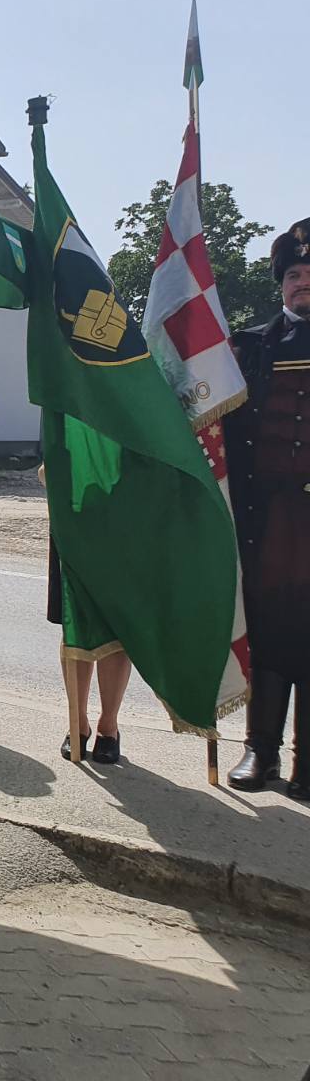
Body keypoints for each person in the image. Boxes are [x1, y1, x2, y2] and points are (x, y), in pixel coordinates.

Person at [225, 217, 310, 800]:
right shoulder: (248, 347)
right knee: (269, 629)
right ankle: (262, 751)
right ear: (281, 284)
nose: (304, 282)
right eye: (296, 275)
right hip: (270, 520)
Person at [41, 466, 132, 763]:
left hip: (124, 523)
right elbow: (47, 472)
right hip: (75, 522)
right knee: (75, 628)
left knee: (116, 630)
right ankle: (77, 722)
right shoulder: (72, 417)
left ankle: (109, 726)